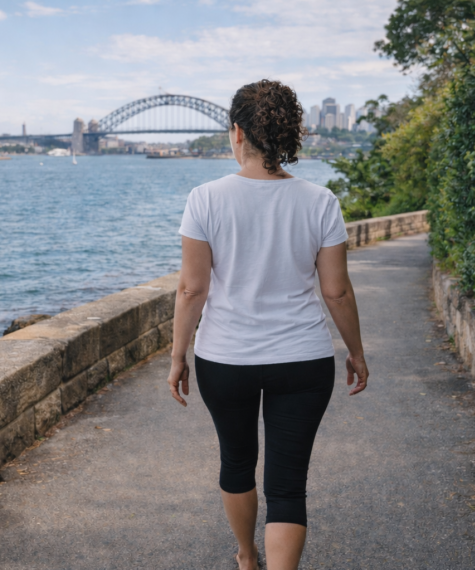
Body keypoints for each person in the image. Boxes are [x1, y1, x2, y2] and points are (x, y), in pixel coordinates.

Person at [166, 80, 369, 570]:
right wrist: (356, 352)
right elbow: (336, 291)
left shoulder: (205, 198)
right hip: (303, 359)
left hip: (225, 358)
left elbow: (192, 290)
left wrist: (178, 355)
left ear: (237, 132)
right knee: (287, 484)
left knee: (236, 464)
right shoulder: (321, 201)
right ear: (289, 134)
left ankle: (247, 556)